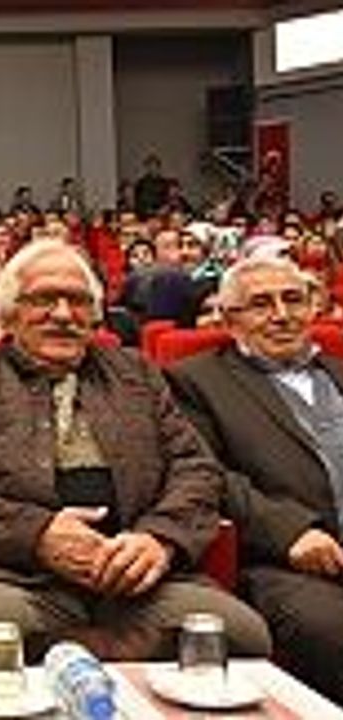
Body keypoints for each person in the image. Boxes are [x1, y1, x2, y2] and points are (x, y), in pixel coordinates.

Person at [0, 240, 271, 658]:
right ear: (9, 314)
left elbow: (196, 469)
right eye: (44, 300)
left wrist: (158, 538)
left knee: (240, 634)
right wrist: (38, 535)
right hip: (19, 575)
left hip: (141, 576)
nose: (64, 315)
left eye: (79, 301)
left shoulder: (137, 374)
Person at [166, 256, 343, 703]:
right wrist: (290, 532)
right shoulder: (195, 381)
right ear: (230, 319)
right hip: (289, 562)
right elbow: (205, 473)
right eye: (261, 304)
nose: (282, 315)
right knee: (331, 627)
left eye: (293, 299)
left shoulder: (339, 370)